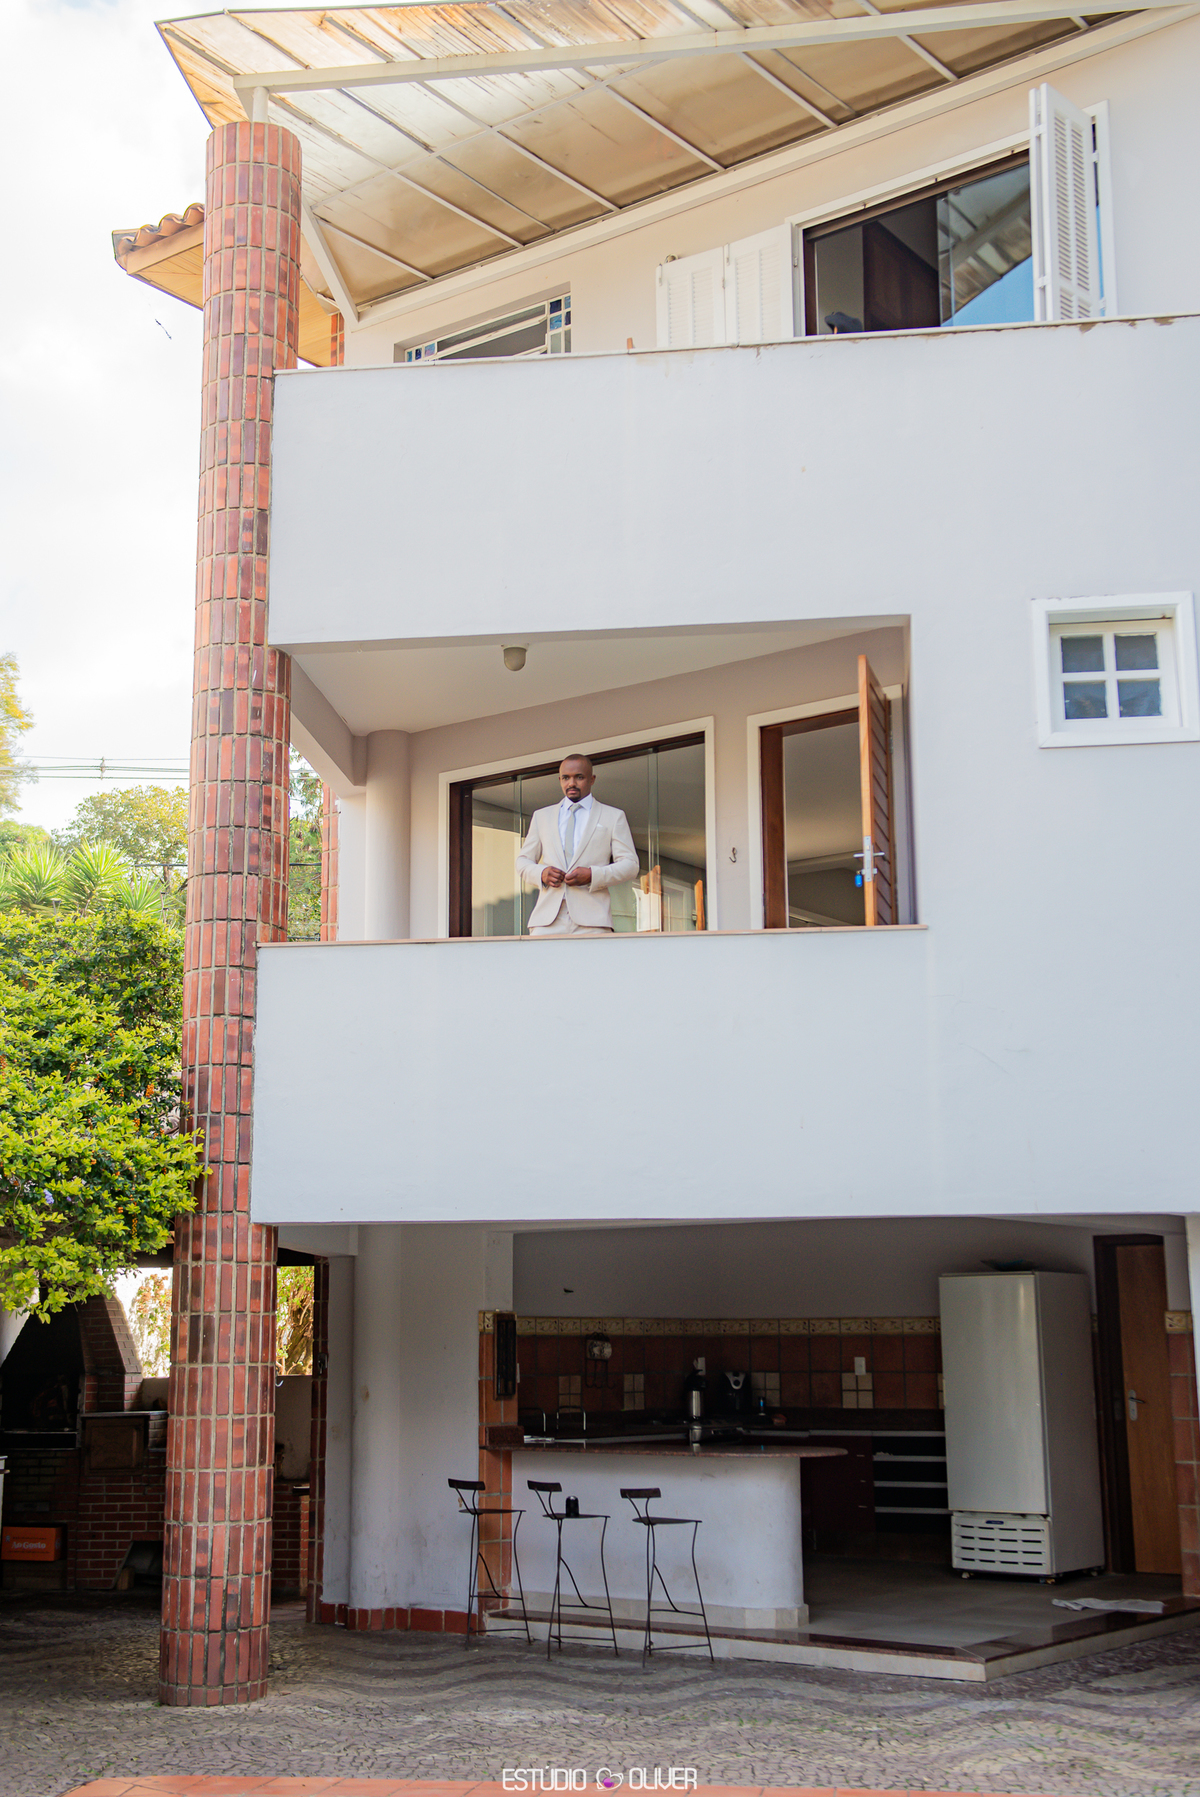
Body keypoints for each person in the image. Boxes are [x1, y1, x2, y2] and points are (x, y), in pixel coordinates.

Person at [516, 754, 639, 937]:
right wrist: (541, 873)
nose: (571, 783)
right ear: (560, 780)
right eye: (566, 778)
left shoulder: (613, 816)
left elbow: (630, 865)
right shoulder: (542, 816)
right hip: (547, 920)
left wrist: (593, 875)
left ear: (592, 779)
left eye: (579, 777)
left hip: (593, 920)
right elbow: (523, 861)